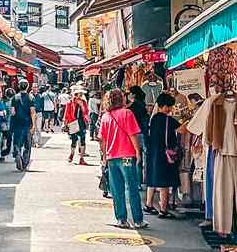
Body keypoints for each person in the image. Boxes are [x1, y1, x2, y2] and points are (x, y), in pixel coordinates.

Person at [98, 87, 146, 229]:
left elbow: (103, 140)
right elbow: (133, 135)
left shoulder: (106, 116)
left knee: (116, 189)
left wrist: (105, 157)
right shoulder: (127, 113)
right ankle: (138, 220)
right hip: (127, 156)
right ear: (122, 99)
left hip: (112, 157)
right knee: (132, 187)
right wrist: (138, 152)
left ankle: (121, 219)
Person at [144, 92, 182, 218]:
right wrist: (189, 120)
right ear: (165, 106)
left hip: (152, 153)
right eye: (170, 106)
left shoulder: (153, 118)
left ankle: (149, 205)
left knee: (152, 180)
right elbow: (182, 129)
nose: (171, 109)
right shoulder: (168, 120)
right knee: (164, 182)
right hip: (164, 155)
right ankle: (163, 209)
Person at [9, 81, 36, 169]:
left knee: (17, 142)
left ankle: (17, 152)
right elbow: (32, 112)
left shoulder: (14, 98)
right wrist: (34, 125)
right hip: (28, 124)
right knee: (27, 145)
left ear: (19, 86)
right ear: (27, 87)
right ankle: (24, 163)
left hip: (17, 124)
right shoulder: (31, 97)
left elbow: (12, 112)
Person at [63, 88, 89, 164]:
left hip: (81, 122)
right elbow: (66, 113)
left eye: (81, 94)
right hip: (73, 122)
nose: (81, 96)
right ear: (75, 95)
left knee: (83, 140)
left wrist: (82, 106)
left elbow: (86, 112)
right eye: (79, 94)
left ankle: (81, 158)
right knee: (74, 141)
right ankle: (72, 154)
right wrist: (65, 123)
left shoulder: (83, 102)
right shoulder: (70, 102)